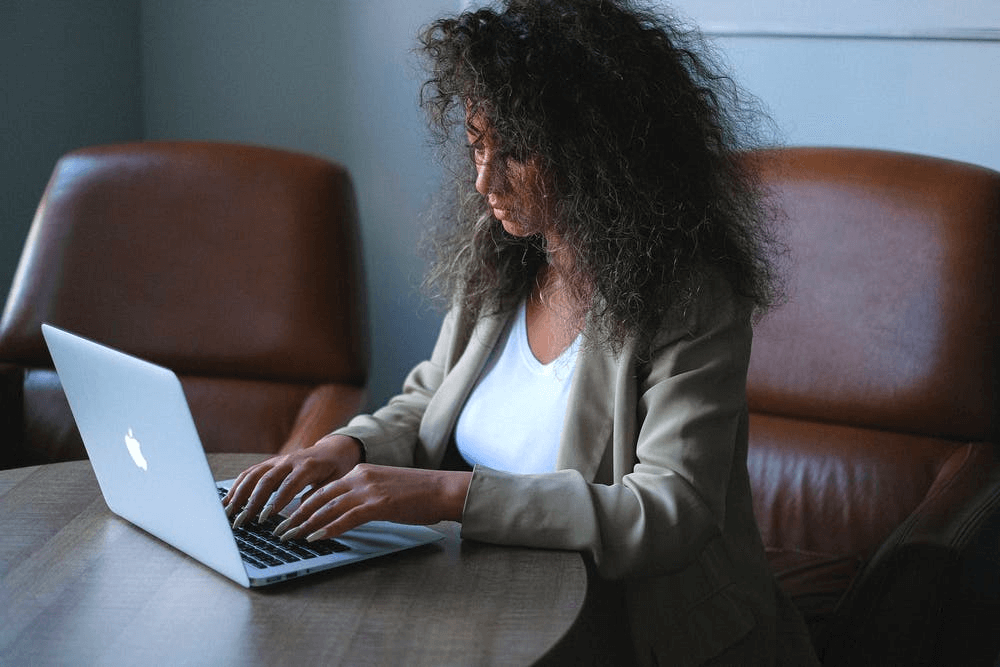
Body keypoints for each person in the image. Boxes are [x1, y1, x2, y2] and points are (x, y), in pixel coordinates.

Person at [224, 0, 818, 664]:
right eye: (477, 144)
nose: (483, 180)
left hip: (631, 630)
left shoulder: (690, 297)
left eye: (514, 151)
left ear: (594, 146)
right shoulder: (503, 256)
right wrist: (345, 449)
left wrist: (446, 495)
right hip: (485, 599)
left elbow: (667, 511)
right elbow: (429, 398)